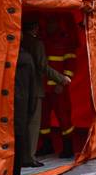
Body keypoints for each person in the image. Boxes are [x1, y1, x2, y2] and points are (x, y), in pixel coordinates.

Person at [21, 19, 71, 167]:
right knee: (39, 121)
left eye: (51, 22)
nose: (49, 25)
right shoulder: (39, 42)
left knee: (62, 118)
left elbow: (70, 62)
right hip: (42, 88)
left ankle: (67, 146)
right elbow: (43, 66)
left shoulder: (62, 40)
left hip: (54, 89)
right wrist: (61, 79)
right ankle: (39, 149)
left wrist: (62, 82)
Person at [12, 45, 37, 175]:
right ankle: (16, 170)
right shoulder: (27, 58)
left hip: (9, 100)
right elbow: (33, 83)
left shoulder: (4, 57)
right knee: (20, 134)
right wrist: (31, 105)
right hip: (23, 100)